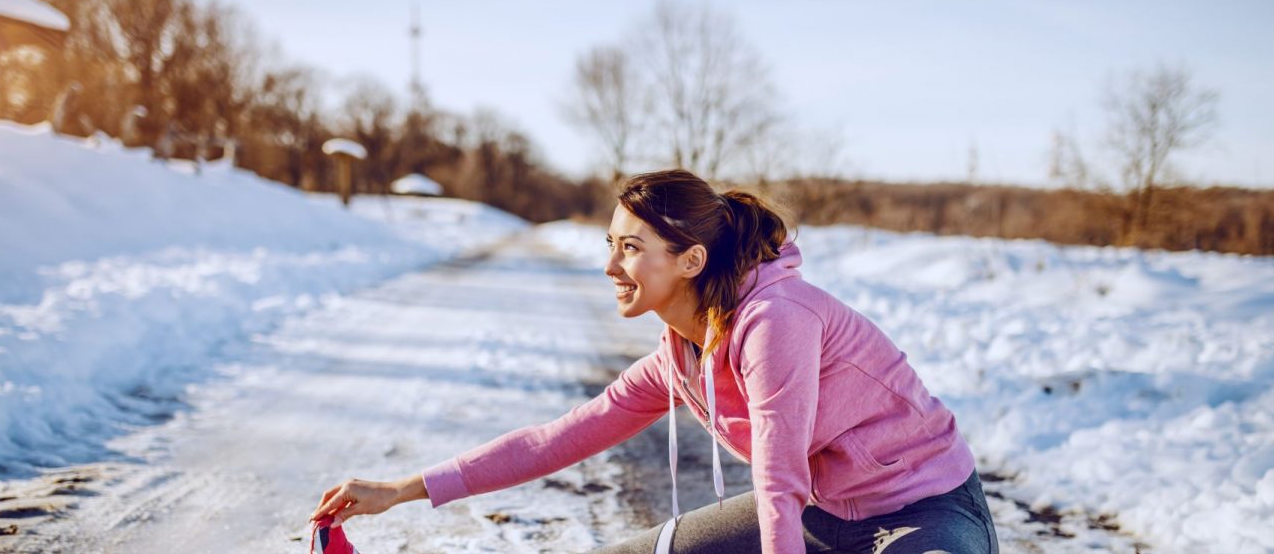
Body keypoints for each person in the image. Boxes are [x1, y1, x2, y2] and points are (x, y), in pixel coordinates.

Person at [310, 169, 999, 553]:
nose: (610, 265)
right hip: (826, 518)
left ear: (691, 260)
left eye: (632, 248)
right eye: (611, 243)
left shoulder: (775, 322)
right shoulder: (680, 355)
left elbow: (779, 476)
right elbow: (560, 438)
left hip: (924, 513)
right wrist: (402, 490)